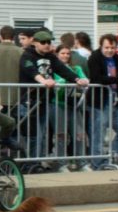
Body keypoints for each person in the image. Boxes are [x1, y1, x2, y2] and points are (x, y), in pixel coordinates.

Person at [18, 28, 88, 164]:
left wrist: (76, 79)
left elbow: (62, 70)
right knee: (33, 135)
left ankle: (38, 162)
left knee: (42, 135)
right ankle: (29, 164)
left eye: (49, 42)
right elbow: (30, 70)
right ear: (35, 43)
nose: (46, 45)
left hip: (44, 100)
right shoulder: (27, 55)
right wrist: (43, 81)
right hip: (29, 101)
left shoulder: (50, 57)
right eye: (43, 42)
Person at [86, 33, 118, 169]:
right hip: (99, 101)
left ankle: (111, 158)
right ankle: (97, 164)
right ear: (101, 46)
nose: (109, 50)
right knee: (98, 134)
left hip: (115, 101)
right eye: (107, 47)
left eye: (112, 48)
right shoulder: (95, 57)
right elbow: (96, 78)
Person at [52, 43, 91, 171]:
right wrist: (70, 81)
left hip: (75, 104)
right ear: (57, 54)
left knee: (79, 134)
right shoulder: (54, 68)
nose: (65, 56)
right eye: (62, 53)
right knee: (61, 135)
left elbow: (84, 79)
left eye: (68, 53)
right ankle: (61, 163)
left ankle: (82, 162)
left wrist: (83, 81)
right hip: (59, 104)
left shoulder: (76, 67)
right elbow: (57, 82)